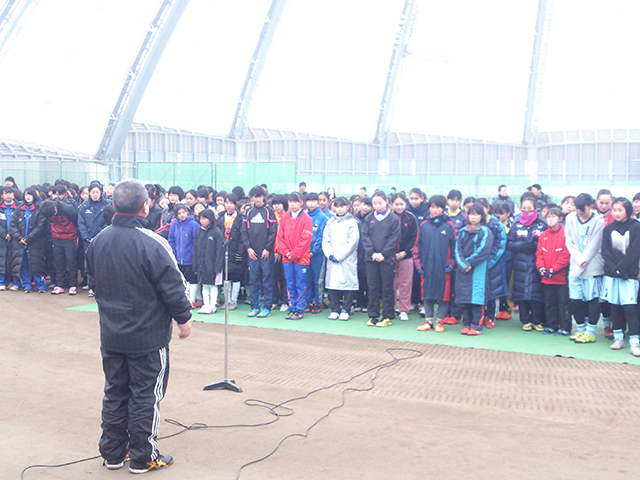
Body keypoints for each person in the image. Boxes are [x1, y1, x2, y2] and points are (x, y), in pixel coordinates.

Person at [85, 178, 191, 474]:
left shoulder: (99, 240)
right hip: (147, 338)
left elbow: (93, 282)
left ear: (114, 204)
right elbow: (174, 287)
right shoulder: (153, 242)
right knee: (145, 395)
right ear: (146, 206)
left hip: (112, 333)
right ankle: (144, 456)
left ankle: (113, 452)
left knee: (115, 392)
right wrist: (183, 318)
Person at [600, 197, 640, 356]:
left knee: (630, 308)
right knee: (615, 306)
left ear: (627, 210)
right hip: (612, 275)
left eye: (620, 210)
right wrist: (615, 270)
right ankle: (618, 338)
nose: (616, 213)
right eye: (614, 210)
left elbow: (635, 251)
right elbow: (605, 252)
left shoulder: (636, 227)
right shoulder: (608, 229)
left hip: (629, 276)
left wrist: (621, 270)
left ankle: (634, 342)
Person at [564, 193, 605, 342]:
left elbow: (593, 245)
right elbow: (569, 241)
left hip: (592, 267)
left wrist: (583, 262)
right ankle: (580, 329)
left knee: (592, 300)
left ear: (590, 206)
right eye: (577, 208)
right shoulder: (570, 218)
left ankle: (590, 332)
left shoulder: (598, 221)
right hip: (575, 266)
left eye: (582, 209)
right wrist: (579, 262)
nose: (579, 212)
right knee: (575, 300)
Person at [414, 195, 456, 332]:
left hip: (443, 268)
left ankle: (439, 322)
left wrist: (451, 265)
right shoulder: (424, 225)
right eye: (432, 207)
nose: (435, 210)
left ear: (443, 208)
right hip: (426, 267)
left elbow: (455, 248)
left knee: (444, 294)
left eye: (438, 207)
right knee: (427, 294)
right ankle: (428, 322)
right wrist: (419, 265)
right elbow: (417, 247)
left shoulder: (449, 226)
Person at [507, 194, 547, 331]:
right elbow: (509, 243)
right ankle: (525, 320)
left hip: (537, 263)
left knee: (536, 294)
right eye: (524, 208)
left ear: (535, 209)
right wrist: (521, 246)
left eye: (529, 209)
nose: (526, 211)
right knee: (521, 294)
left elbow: (547, 242)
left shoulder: (542, 225)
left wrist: (535, 246)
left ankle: (537, 320)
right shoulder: (516, 224)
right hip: (520, 264)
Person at [361, 191, 401, 327]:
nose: (377, 206)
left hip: (387, 259)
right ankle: (373, 316)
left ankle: (387, 316)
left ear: (386, 202)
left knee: (387, 288)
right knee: (373, 287)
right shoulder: (369, 218)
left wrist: (383, 254)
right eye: (375, 203)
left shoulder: (393, 218)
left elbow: (394, 238)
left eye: (380, 202)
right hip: (371, 259)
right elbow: (365, 236)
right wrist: (372, 253)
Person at [455, 203, 494, 335]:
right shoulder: (462, 231)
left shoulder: (485, 231)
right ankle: (466, 324)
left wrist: (470, 263)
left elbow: (484, 250)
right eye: (471, 214)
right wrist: (463, 264)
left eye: (476, 215)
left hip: (478, 270)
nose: (473, 217)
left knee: (477, 299)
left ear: (482, 216)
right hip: (463, 270)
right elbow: (457, 249)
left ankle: (476, 326)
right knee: (465, 299)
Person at [242, 185, 278, 318]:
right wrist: (248, 248)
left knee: (267, 280)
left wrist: (267, 249)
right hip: (252, 253)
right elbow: (244, 231)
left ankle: (267, 307)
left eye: (259, 196)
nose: (257, 199)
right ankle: (254, 307)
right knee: (253, 280)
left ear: (263, 196)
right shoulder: (248, 212)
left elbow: (273, 232)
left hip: (266, 253)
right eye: (254, 197)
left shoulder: (269, 211)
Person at [322, 197, 360, 321]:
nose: (339, 209)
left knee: (348, 284)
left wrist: (339, 256)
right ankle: (335, 309)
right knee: (333, 284)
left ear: (348, 207)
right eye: (337, 206)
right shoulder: (330, 222)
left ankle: (346, 309)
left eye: (342, 206)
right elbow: (325, 240)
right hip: (332, 258)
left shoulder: (352, 223)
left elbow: (352, 242)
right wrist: (329, 254)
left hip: (347, 259)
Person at [535, 207, 571, 335]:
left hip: (561, 277)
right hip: (546, 278)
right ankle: (551, 325)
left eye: (553, 216)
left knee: (563, 303)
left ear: (560, 218)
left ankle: (565, 327)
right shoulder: (543, 235)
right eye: (548, 217)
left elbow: (566, 256)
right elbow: (539, 254)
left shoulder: (566, 234)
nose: (550, 219)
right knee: (549, 302)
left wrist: (553, 269)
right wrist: (542, 268)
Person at [277, 192, 313, 320]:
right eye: (290, 201)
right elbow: (280, 237)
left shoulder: (306, 219)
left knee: (300, 284)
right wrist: (286, 253)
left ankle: (299, 309)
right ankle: (292, 308)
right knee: (290, 283)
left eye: (295, 201)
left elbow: (306, 239)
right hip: (287, 258)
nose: (292, 204)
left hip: (301, 258)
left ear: (301, 203)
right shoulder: (284, 218)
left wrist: (294, 254)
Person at [9, 187, 49, 293]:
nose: (28, 197)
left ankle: (41, 285)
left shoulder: (39, 209)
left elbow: (41, 226)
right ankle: (27, 285)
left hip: (35, 243)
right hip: (20, 244)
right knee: (23, 265)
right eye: (26, 195)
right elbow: (13, 226)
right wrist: (19, 238)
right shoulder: (18, 209)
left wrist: (29, 238)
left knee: (37, 264)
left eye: (30, 194)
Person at [477, 198, 508, 329]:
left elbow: (500, 245)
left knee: (493, 292)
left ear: (488, 208)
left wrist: (490, 261)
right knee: (479, 291)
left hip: (493, 265)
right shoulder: (475, 224)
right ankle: (479, 316)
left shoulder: (496, 224)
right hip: (477, 264)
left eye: (483, 207)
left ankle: (491, 317)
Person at [40, 197, 79, 295]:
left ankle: (73, 285)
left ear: (55, 208)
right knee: (58, 262)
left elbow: (76, 221)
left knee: (71, 262)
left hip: (70, 237)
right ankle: (60, 285)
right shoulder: (46, 212)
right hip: (56, 238)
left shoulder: (67, 209)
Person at [390, 194, 417, 321]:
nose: (399, 207)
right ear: (391, 205)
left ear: (406, 204)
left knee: (405, 284)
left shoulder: (411, 218)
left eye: (401, 204)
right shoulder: (388, 217)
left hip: (406, 256)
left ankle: (403, 310)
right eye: (396, 204)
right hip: (389, 257)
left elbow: (414, 237)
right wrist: (390, 252)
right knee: (391, 284)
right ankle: (390, 308)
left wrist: (405, 252)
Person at [168, 204, 200, 307]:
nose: (182, 215)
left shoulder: (193, 225)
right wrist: (174, 254)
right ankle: (186, 299)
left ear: (187, 212)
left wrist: (194, 255)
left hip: (191, 258)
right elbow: (171, 240)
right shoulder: (174, 225)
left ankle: (192, 300)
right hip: (179, 259)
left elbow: (197, 241)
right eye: (179, 213)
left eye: (184, 212)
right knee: (184, 280)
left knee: (193, 279)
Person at [193, 209, 224, 314]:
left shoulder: (216, 232)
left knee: (213, 285)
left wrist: (218, 267)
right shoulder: (200, 231)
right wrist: (196, 264)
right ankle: (206, 304)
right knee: (204, 286)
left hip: (213, 265)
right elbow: (196, 248)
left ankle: (212, 305)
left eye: (205, 218)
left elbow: (219, 250)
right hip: (202, 264)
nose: (203, 221)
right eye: (201, 218)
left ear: (211, 219)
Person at [218, 193, 244, 309]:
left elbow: (243, 237)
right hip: (223, 250)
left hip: (235, 250)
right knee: (225, 277)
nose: (229, 205)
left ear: (236, 204)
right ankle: (227, 300)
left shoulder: (240, 218)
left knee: (235, 276)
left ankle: (233, 300)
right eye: (227, 203)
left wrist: (240, 252)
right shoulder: (220, 216)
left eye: (231, 203)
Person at [305, 192, 328, 314]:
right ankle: (309, 302)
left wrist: (313, 251)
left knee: (317, 280)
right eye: (309, 201)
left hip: (317, 255)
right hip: (304, 254)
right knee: (307, 279)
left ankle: (318, 303)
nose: (311, 203)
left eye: (314, 201)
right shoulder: (304, 216)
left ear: (318, 203)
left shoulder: (323, 217)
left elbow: (322, 236)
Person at [271, 194, 289, 311]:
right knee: (273, 277)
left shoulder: (288, 217)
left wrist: (280, 250)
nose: (276, 206)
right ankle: (274, 300)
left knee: (284, 278)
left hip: (284, 252)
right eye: (274, 204)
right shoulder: (272, 217)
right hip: (272, 252)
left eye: (279, 204)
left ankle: (285, 301)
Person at [0, 186, 20, 290]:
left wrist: (13, 233)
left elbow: (20, 223)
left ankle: (16, 283)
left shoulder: (19, 207)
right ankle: (2, 282)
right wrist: (4, 234)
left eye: (10, 193)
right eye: (5, 193)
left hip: (15, 238)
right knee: (2, 260)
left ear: (13, 194)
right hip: (2, 239)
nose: (8, 195)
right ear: (2, 195)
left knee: (15, 261)